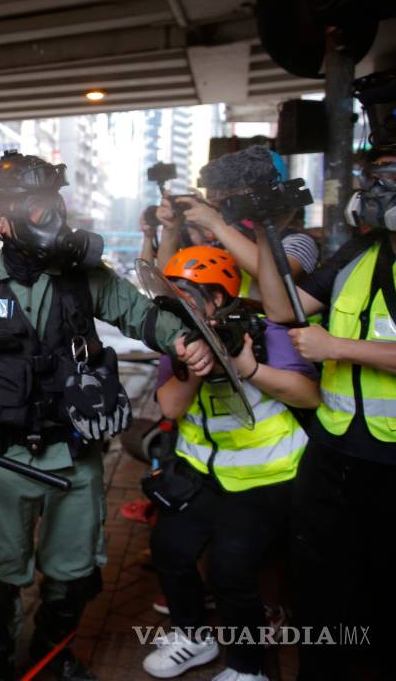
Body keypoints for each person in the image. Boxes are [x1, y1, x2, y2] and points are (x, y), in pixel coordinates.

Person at [0, 151, 214, 681]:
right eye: (34, 205)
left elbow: (142, 317)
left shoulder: (85, 276)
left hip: (76, 456)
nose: (50, 214)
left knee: (74, 580)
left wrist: (185, 342)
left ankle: (51, 661)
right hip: (1, 456)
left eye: (52, 202)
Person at [254, 114, 396, 678]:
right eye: (371, 177)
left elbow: (321, 337)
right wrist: (267, 229)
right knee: (322, 595)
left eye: (388, 176)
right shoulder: (357, 255)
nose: (373, 190)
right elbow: (282, 310)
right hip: (334, 457)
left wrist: (337, 346)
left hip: (390, 465)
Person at [142, 247, 317, 681]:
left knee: (231, 572)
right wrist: (197, 365)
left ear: (217, 298)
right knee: (170, 551)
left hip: (266, 478)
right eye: (170, 292)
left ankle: (248, 666)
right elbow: (169, 405)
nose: (174, 301)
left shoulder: (266, 331)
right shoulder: (178, 338)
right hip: (200, 474)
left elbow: (310, 395)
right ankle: (193, 636)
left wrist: (248, 367)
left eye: (185, 293)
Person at [160, 148, 319, 293]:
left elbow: (275, 276)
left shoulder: (299, 242)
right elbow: (174, 281)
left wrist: (216, 224)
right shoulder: (225, 240)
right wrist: (170, 230)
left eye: (233, 192)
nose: (221, 200)